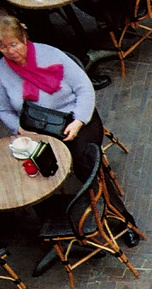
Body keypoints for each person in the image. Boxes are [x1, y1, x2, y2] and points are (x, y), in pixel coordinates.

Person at [0, 16, 101, 178]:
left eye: (14, 44)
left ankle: (101, 196)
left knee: (85, 162)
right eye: (3, 47)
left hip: (72, 119)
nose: (10, 51)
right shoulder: (1, 71)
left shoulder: (51, 54)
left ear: (24, 38)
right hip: (34, 129)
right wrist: (20, 129)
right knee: (27, 173)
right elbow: (3, 110)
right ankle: (53, 201)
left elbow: (84, 88)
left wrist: (78, 121)